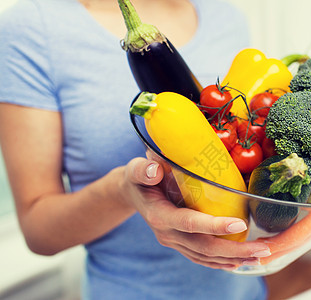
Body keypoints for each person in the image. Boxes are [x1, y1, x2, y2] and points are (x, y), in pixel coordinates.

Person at [0, 0, 270, 299]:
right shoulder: (31, 28)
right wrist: (123, 191)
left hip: (246, 291)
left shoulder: (225, 15)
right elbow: (40, 234)